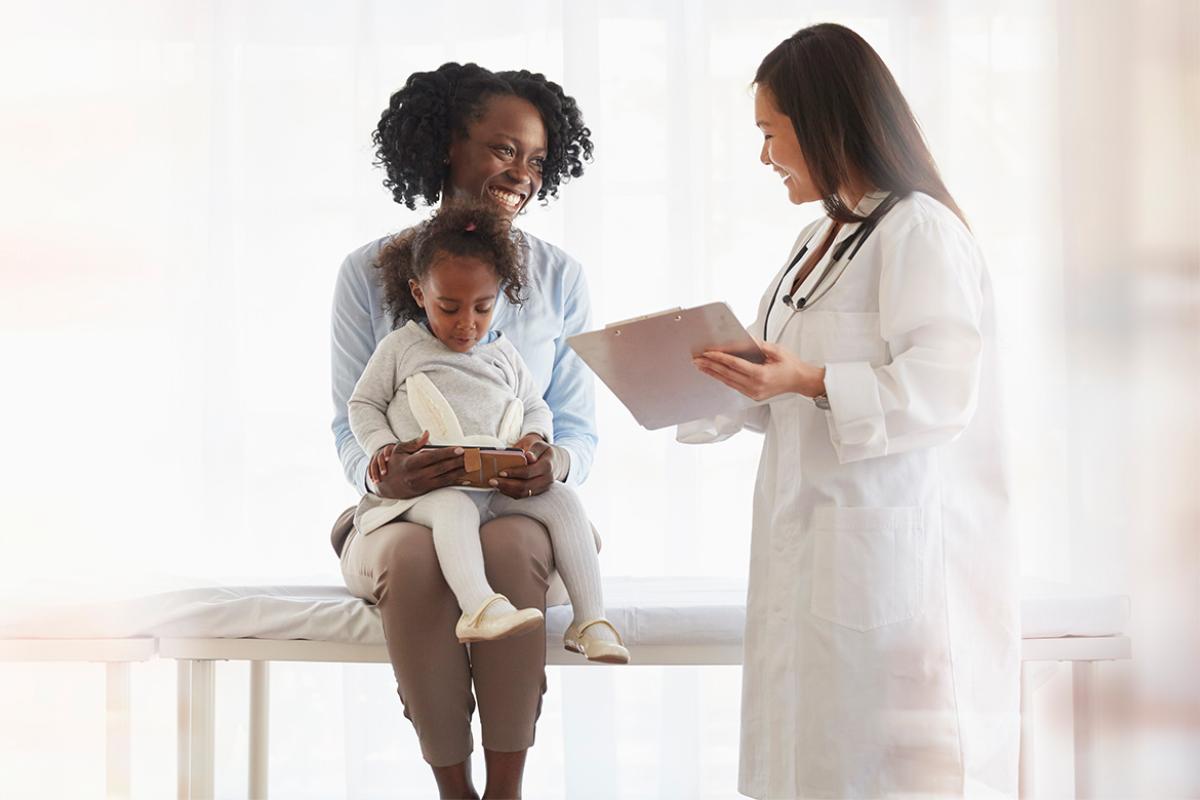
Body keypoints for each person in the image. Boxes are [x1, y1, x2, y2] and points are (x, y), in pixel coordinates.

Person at [680, 23, 1020, 799]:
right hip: (808, 546)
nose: (765, 156)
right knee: (808, 761)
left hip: (882, 559)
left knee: (876, 772)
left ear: (824, 123)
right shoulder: (819, 238)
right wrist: (707, 379)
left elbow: (942, 390)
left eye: (771, 132)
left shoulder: (920, 230)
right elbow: (778, 375)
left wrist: (811, 381)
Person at [329, 63, 599, 800]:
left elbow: (577, 427)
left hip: (516, 510)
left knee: (509, 547)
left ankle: (506, 790)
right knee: (414, 555)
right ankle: (454, 790)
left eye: (537, 159)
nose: (523, 174)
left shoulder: (560, 278)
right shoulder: (366, 273)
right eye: (505, 150)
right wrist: (379, 468)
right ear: (449, 144)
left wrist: (552, 463)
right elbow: (349, 417)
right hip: (404, 513)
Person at [347, 201, 628, 661]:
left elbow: (535, 405)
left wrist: (535, 440)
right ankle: (479, 607)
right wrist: (383, 449)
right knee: (454, 506)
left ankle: (591, 621)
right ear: (419, 293)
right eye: (449, 307)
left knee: (564, 500)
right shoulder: (401, 347)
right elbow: (362, 405)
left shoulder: (503, 353)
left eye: (483, 307)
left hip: (493, 485)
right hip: (427, 492)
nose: (467, 323)